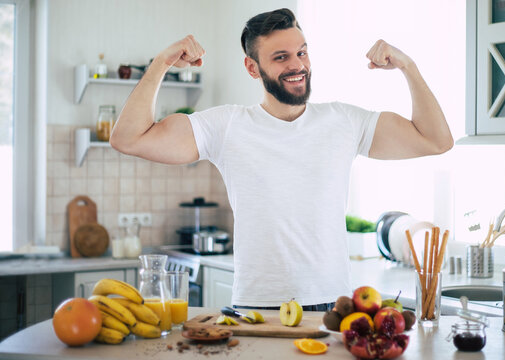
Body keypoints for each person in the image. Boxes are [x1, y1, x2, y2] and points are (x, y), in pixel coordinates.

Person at [110, 8, 453, 311]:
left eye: (302, 52)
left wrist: (408, 66)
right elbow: (128, 138)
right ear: (251, 67)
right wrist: (161, 64)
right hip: (257, 305)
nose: (297, 65)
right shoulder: (226, 126)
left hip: (332, 305)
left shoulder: (345, 122)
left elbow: (436, 140)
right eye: (281, 57)